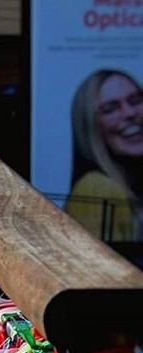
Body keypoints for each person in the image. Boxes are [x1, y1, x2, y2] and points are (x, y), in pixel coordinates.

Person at [64, 69, 143, 243]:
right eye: (110, 109)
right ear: (89, 126)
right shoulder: (96, 187)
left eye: (136, 100)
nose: (129, 113)